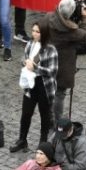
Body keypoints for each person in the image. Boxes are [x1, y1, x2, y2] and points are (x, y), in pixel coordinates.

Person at [10, 21, 58, 152]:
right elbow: (24, 58)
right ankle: (22, 140)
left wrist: (35, 67)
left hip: (44, 86)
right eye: (33, 31)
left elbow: (53, 71)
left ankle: (43, 142)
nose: (34, 34)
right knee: (26, 113)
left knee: (44, 115)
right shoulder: (30, 44)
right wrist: (25, 62)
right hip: (30, 84)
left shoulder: (51, 49)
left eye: (38, 32)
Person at [46, 0, 86, 121]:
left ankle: (48, 118)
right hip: (64, 66)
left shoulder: (49, 17)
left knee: (50, 90)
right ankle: (57, 120)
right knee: (60, 94)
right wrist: (85, 18)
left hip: (49, 60)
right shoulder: (71, 32)